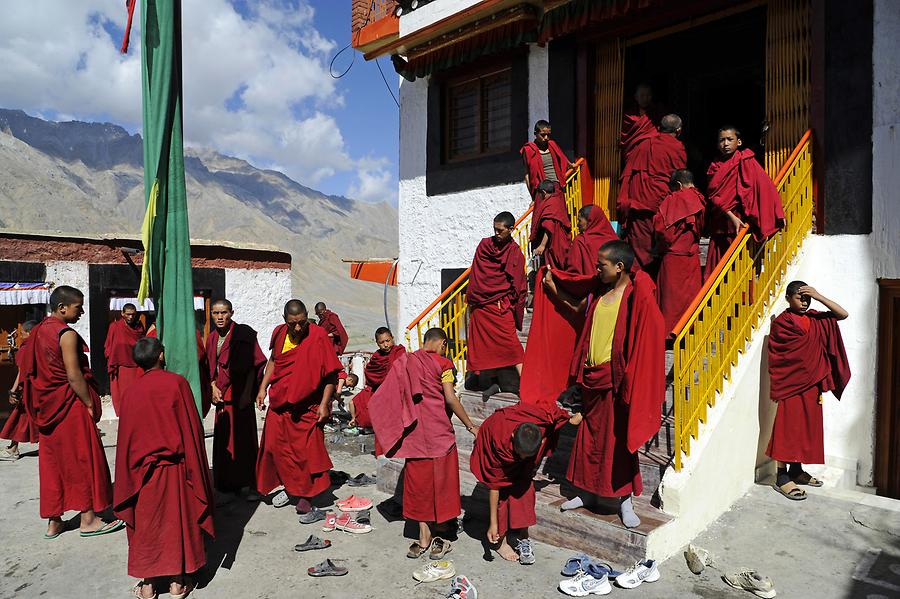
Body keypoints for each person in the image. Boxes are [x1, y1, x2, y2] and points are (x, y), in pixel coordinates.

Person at [544, 242, 665, 528]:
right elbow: (579, 315)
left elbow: (649, 331)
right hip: (592, 378)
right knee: (588, 440)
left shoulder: (635, 296)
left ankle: (624, 502)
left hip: (615, 381)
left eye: (602, 265)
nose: (597, 269)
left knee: (617, 443)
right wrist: (552, 285)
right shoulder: (601, 296)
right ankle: (584, 494)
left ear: (620, 267)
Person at [114, 337, 214, 599]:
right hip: (175, 470)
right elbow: (191, 429)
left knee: (146, 524)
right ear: (160, 355)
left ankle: (148, 584)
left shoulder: (131, 392)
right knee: (176, 521)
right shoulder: (176, 384)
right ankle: (177, 582)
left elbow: (125, 442)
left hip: (142, 475)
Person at [19, 286, 122, 538]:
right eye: (78, 307)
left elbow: (28, 368)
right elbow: (74, 376)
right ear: (62, 307)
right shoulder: (66, 334)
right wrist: (88, 402)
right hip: (69, 405)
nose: (82, 311)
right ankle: (88, 519)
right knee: (82, 459)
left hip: (47, 407)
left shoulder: (38, 331)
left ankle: (54, 521)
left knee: (53, 463)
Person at [369, 328, 479, 559]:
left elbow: (389, 394)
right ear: (443, 343)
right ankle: (442, 534)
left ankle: (423, 536)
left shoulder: (408, 361)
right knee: (441, 486)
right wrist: (470, 425)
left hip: (415, 436)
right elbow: (450, 398)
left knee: (418, 486)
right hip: (439, 434)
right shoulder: (444, 365)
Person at [255, 300, 343, 515]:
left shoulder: (318, 336)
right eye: (293, 323)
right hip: (280, 402)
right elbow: (274, 361)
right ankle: (289, 485)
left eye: (302, 322)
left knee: (305, 453)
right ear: (285, 320)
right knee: (274, 447)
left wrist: (324, 404)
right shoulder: (279, 333)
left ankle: (305, 494)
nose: (298, 328)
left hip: (308, 406)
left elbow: (331, 373)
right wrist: (262, 388)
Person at [766, 281, 850, 501]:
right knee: (787, 428)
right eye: (799, 298)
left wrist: (819, 295)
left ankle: (796, 470)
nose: (804, 302)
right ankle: (781, 476)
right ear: (787, 298)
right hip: (791, 384)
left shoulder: (815, 318)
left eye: (807, 298)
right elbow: (780, 356)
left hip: (812, 383)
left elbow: (843, 314)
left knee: (805, 428)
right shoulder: (782, 323)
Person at [470, 402, 573, 564]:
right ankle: (500, 542)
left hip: (520, 460)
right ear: (513, 438)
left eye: (527, 455)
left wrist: (571, 419)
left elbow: (555, 414)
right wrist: (493, 524)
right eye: (521, 454)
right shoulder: (498, 438)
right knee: (503, 497)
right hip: (494, 451)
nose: (524, 457)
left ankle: (523, 537)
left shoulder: (538, 420)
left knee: (526, 489)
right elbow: (495, 486)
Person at [704, 126, 785, 279]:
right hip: (722, 222)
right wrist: (730, 216)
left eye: (730, 139)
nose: (725, 143)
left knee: (741, 264)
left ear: (739, 142)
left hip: (741, 218)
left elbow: (765, 187)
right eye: (721, 140)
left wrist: (777, 212)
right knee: (719, 266)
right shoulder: (714, 167)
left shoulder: (747, 161)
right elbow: (713, 195)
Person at [205, 299, 267, 495]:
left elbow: (253, 365)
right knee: (224, 438)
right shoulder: (212, 337)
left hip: (240, 394)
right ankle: (226, 482)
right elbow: (210, 367)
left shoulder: (244, 334)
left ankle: (247, 482)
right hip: (221, 395)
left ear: (231, 312)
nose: (220, 317)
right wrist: (212, 386)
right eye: (215, 313)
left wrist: (248, 393)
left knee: (242, 439)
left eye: (223, 312)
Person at [466, 212, 527, 399]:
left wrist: (512, 304)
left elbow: (518, 283)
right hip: (482, 305)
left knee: (513, 346)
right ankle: (493, 383)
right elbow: (477, 273)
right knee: (485, 346)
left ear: (511, 229)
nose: (496, 233)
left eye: (500, 230)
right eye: (494, 229)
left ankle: (525, 385)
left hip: (500, 306)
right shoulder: (485, 245)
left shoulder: (514, 252)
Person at [618, 114, 687, 273]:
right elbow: (679, 180)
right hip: (661, 206)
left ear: (658, 128)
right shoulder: (676, 147)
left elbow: (628, 175)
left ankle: (640, 286)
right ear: (679, 130)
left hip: (638, 206)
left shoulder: (642, 146)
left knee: (640, 252)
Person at [652, 169, 706, 331]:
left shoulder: (673, 199)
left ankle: (669, 334)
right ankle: (691, 332)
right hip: (692, 258)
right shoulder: (700, 200)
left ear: (678, 185)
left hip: (673, 259)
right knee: (691, 299)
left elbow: (660, 229)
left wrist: (660, 247)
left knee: (671, 302)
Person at [349, 327, 406, 432]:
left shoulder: (399, 352)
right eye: (381, 342)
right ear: (377, 343)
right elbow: (370, 373)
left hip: (396, 393)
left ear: (392, 338)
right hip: (379, 392)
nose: (385, 345)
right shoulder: (376, 357)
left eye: (388, 341)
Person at [1, 320, 39, 461]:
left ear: (29, 333)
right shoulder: (40, 346)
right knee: (23, 418)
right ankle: (13, 447)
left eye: (22, 334)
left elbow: (22, 372)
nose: (21, 337)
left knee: (20, 418)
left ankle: (13, 449)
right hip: (39, 389)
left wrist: (13, 390)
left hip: (28, 391)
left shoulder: (26, 348)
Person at [103, 303, 145, 416]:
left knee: (136, 391)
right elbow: (108, 344)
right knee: (122, 392)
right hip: (120, 364)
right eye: (128, 314)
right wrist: (110, 356)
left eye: (133, 314)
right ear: (122, 314)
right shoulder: (115, 326)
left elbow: (141, 343)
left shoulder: (139, 327)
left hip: (136, 364)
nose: (130, 317)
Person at [520, 119, 576, 196]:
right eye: (542, 135)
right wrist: (532, 195)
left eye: (548, 135)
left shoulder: (552, 145)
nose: (546, 138)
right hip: (543, 189)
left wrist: (571, 165)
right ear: (535, 134)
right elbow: (527, 173)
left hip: (557, 186)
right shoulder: (528, 150)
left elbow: (563, 158)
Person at [565, 205, 620, 276]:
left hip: (589, 284)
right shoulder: (614, 239)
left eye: (579, 220)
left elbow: (573, 270)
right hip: (613, 285)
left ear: (589, 221)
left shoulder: (580, 241)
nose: (578, 225)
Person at [530, 179, 573, 270]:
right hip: (561, 240)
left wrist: (542, 245)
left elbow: (549, 226)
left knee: (554, 269)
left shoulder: (550, 203)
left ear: (543, 192)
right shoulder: (558, 199)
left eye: (539, 195)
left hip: (555, 242)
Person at [619, 84, 664, 164]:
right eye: (642, 95)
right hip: (633, 155)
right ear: (636, 97)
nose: (645, 98)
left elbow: (662, 134)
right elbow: (625, 138)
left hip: (652, 155)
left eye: (648, 95)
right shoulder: (628, 115)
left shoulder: (657, 113)